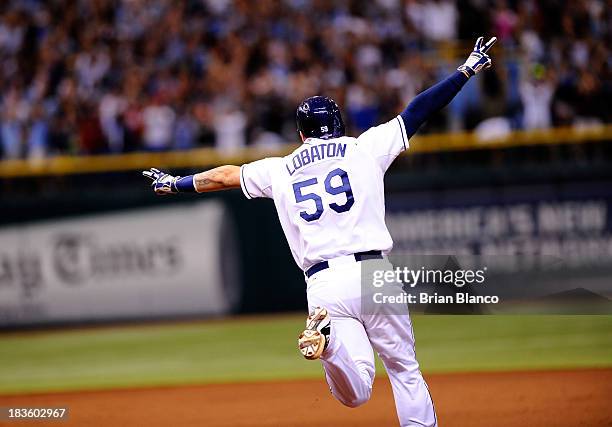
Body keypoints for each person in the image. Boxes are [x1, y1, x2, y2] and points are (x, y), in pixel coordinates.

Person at [143, 36, 496, 427]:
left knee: (357, 392)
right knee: (404, 370)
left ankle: (327, 346)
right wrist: (465, 70)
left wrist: (176, 183)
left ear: (301, 134)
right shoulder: (363, 148)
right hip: (372, 272)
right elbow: (418, 111)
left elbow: (225, 175)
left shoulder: (279, 168)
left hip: (323, 284)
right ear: (338, 124)